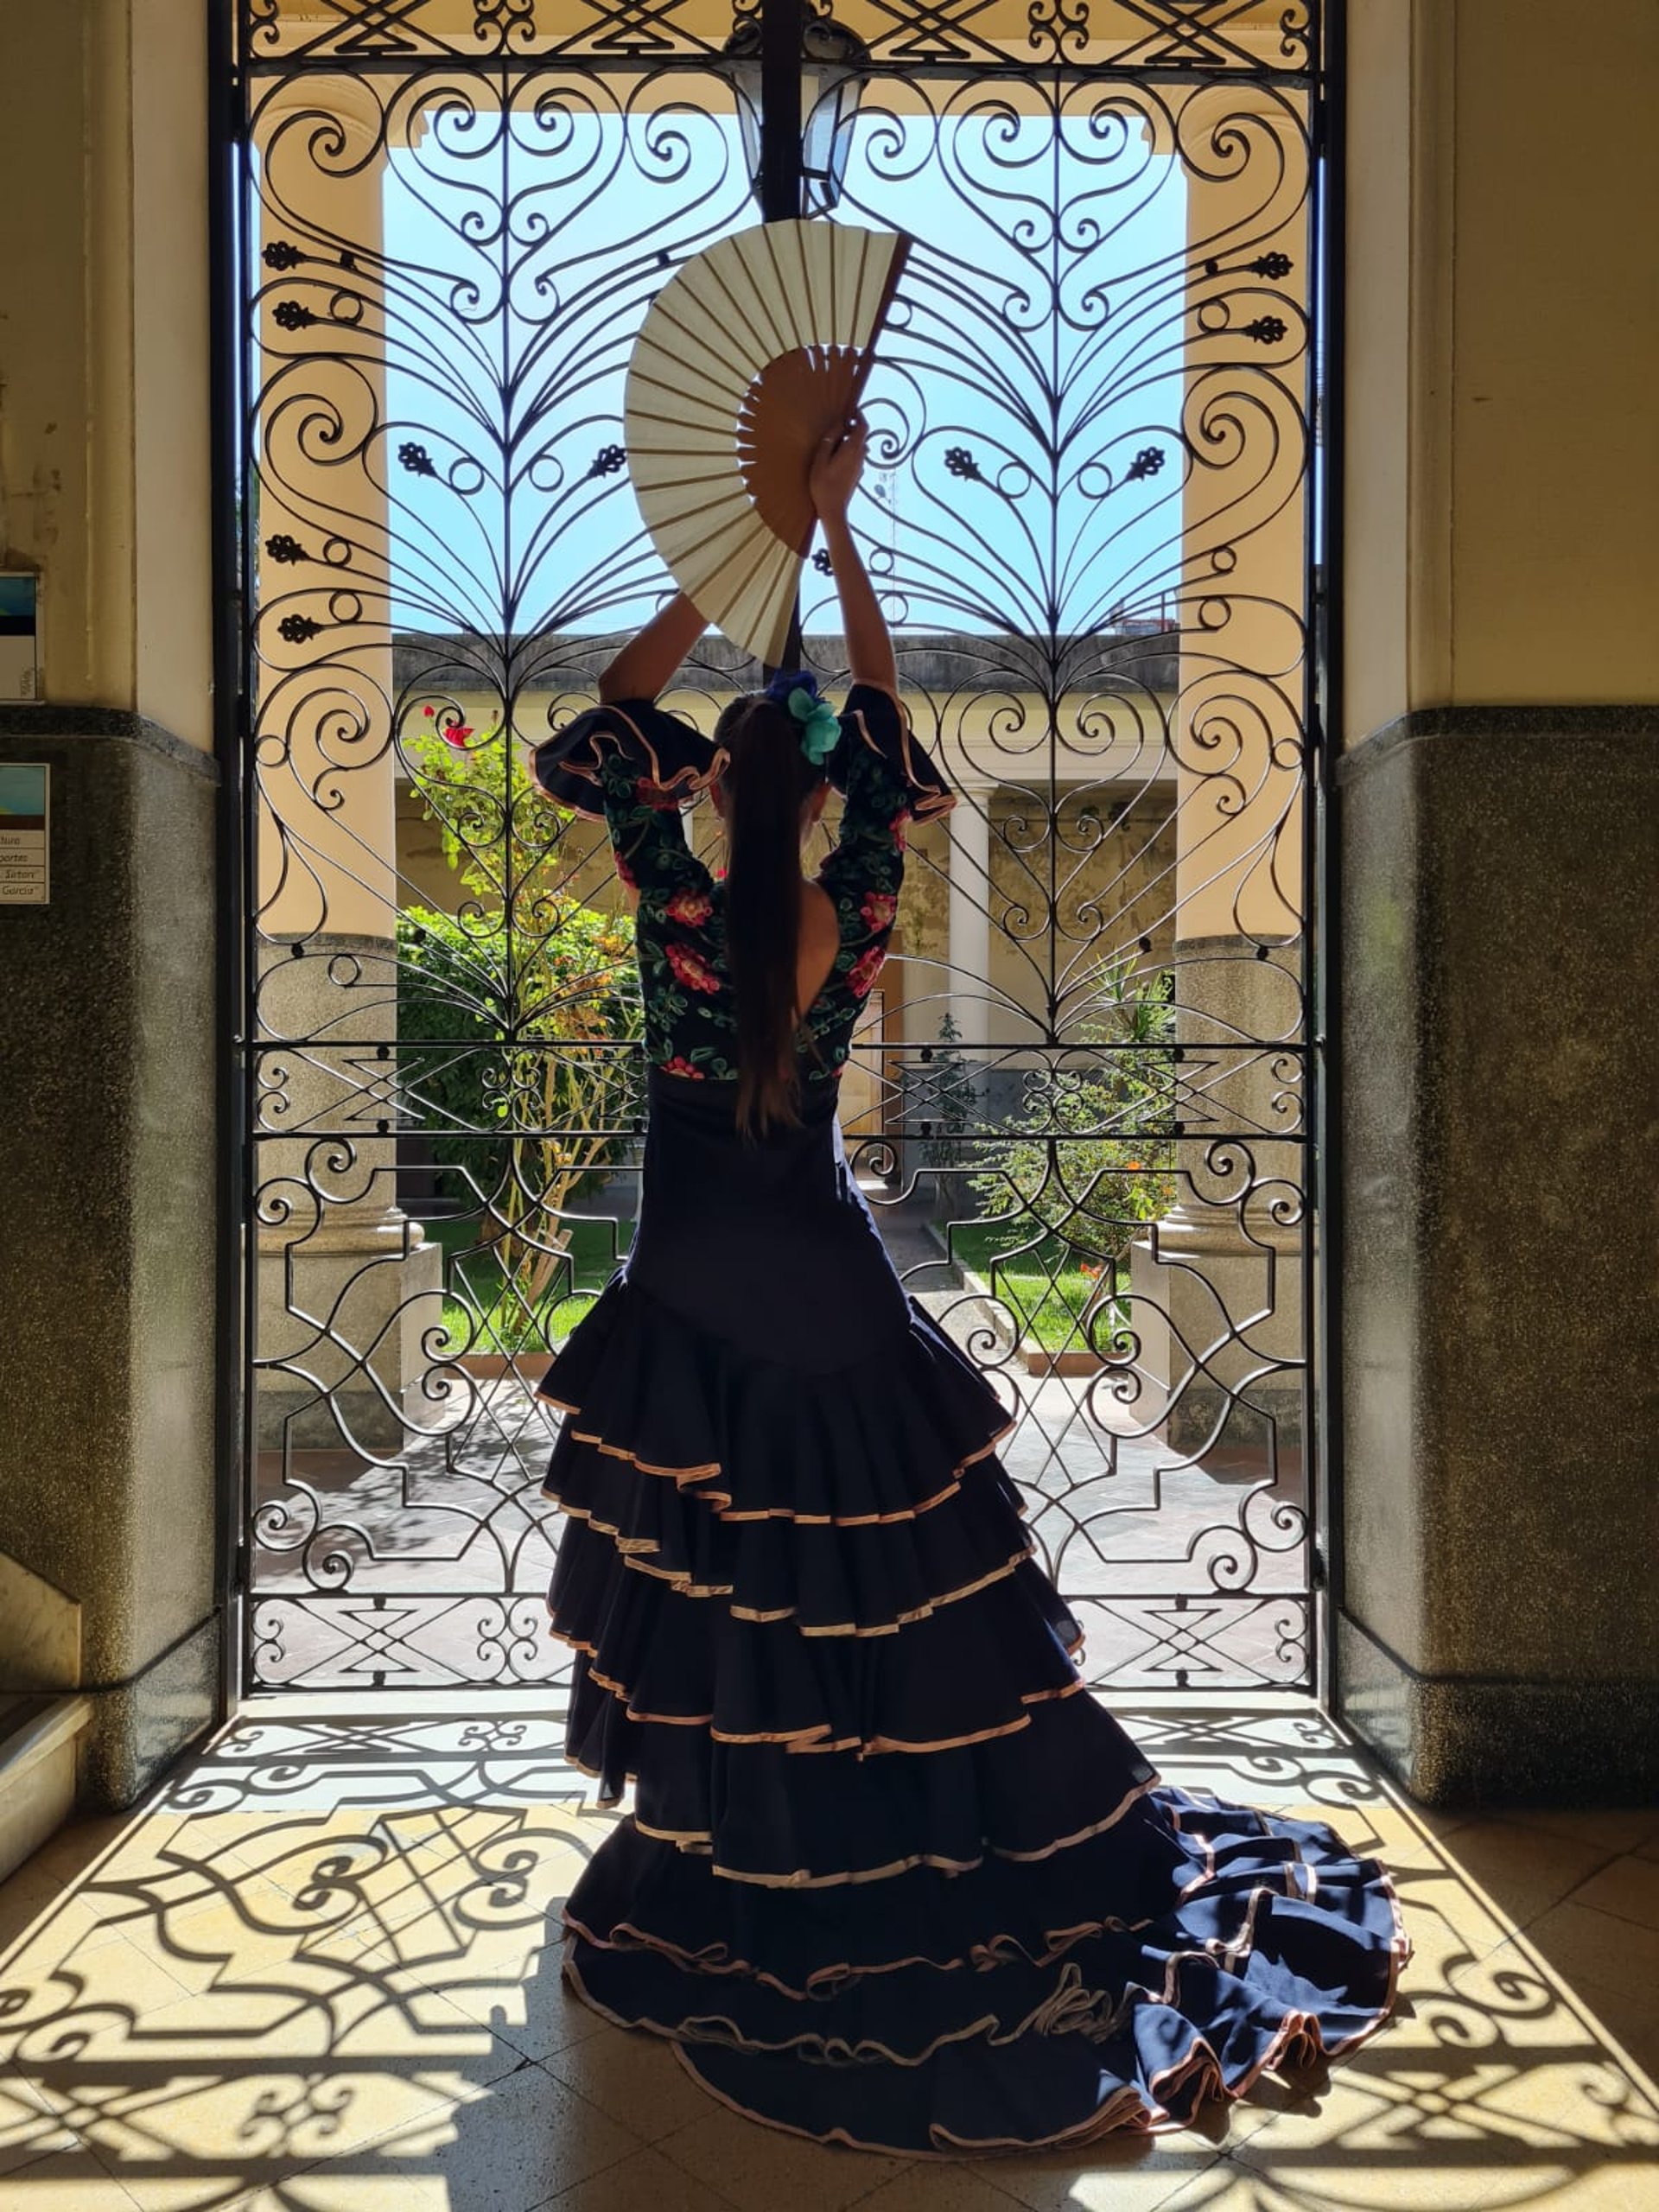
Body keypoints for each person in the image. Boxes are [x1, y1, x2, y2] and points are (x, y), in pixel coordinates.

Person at [529, 416, 1408, 2157]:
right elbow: (884, 725)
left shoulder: (675, 909)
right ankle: (923, 1822)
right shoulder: (857, 906)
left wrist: (744, 548)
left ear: (710, 787)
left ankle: (765, 1842)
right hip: (831, 1283)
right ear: (821, 800)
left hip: (692, 1289)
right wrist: (834, 535)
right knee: (903, 1585)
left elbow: (606, 718)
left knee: (735, 1591)